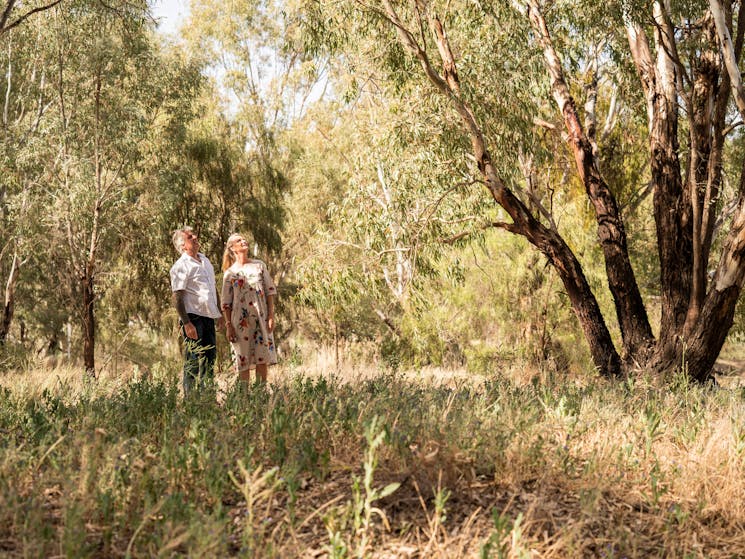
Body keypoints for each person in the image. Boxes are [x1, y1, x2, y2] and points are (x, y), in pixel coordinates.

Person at [169, 226, 223, 395]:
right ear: (183, 246)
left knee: (209, 359)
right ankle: (190, 400)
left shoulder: (205, 260)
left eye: (194, 235)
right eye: (190, 237)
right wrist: (187, 323)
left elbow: (213, 289)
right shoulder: (180, 266)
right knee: (192, 360)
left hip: (209, 317)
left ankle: (208, 399)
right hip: (193, 318)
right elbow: (177, 297)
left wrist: (219, 314)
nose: (195, 237)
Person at [221, 233, 277, 383]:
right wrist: (228, 326)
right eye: (239, 240)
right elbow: (226, 303)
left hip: (261, 318)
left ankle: (261, 397)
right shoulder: (230, 274)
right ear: (232, 248)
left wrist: (271, 315)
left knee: (261, 358)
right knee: (243, 361)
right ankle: (244, 400)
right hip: (240, 322)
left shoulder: (259, 265)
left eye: (244, 239)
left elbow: (269, 291)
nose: (244, 241)